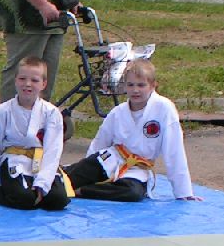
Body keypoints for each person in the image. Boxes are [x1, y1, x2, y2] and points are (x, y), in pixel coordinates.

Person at [64, 59, 201, 202]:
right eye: (130, 85)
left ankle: (83, 191)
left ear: (153, 85)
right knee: (69, 179)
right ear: (124, 86)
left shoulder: (164, 109)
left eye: (141, 85)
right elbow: (100, 143)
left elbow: (174, 151)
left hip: (137, 170)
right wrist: (86, 170)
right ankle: (65, 174)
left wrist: (183, 192)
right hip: (110, 160)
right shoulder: (118, 112)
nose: (135, 90)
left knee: (132, 193)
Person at [0, 56, 69, 210]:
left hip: (41, 161)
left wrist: (42, 183)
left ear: (43, 84)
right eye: (22, 79)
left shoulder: (51, 112)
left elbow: (53, 150)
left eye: (34, 80)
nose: (27, 84)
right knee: (24, 199)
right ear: (15, 80)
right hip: (14, 161)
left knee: (58, 200)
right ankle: (2, 193)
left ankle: (34, 189)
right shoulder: (2, 111)